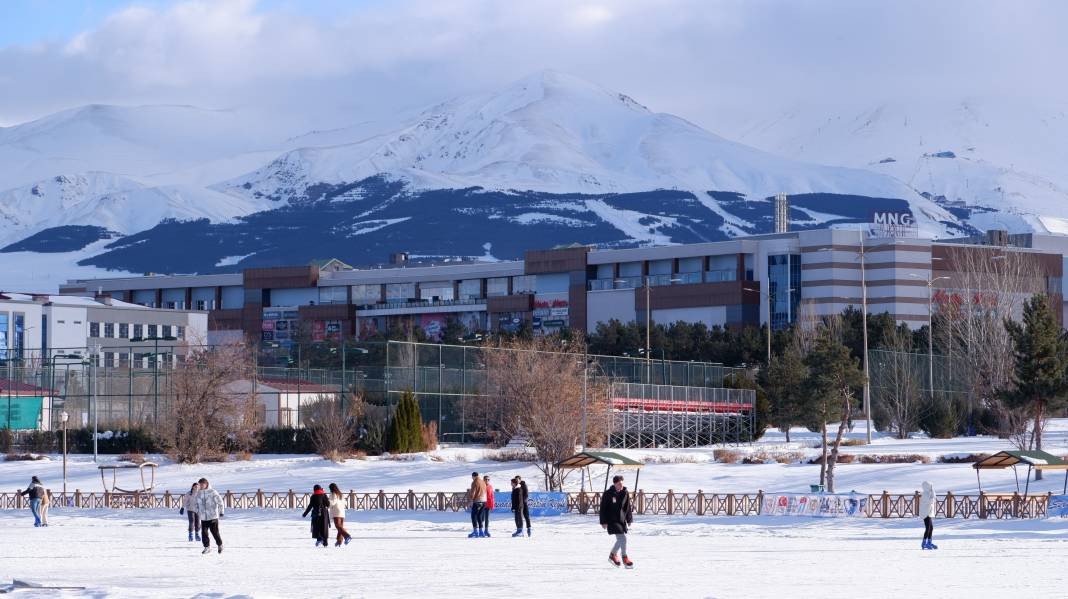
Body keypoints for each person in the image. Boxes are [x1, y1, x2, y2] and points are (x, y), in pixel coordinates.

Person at [599, 475, 634, 568]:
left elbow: (628, 507)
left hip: (621, 520)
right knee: (623, 538)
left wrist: (629, 519)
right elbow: (603, 508)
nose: (621, 485)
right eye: (619, 484)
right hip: (611, 520)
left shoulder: (625, 493)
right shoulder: (608, 493)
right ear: (614, 484)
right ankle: (624, 558)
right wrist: (603, 521)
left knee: (621, 539)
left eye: (622, 483)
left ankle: (613, 555)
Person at [194, 478, 224, 554]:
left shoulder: (213, 492)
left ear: (206, 484)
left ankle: (220, 545)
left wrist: (221, 511)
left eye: (202, 484)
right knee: (204, 533)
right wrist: (198, 512)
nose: (201, 486)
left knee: (215, 532)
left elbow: (220, 502)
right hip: (203, 517)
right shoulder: (198, 493)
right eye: (200, 484)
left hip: (213, 516)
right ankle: (207, 547)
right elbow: (195, 504)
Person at [328, 483, 351, 547]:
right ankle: (339, 541)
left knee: (338, 526)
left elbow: (332, 503)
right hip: (342, 511)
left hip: (336, 511)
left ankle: (347, 536)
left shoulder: (333, 494)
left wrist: (327, 503)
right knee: (340, 527)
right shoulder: (341, 494)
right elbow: (345, 503)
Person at [467, 471, 487, 538]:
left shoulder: (474, 482)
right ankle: (481, 531)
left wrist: (471, 501)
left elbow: (473, 492)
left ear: (473, 476)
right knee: (479, 516)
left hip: (477, 501)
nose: (472, 478)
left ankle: (475, 531)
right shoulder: (483, 482)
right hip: (484, 501)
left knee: (473, 516)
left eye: (472, 477)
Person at [920, 480, 937, 550]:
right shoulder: (925, 494)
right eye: (930, 486)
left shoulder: (928, 493)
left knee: (931, 528)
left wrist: (932, 491)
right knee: (928, 528)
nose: (931, 487)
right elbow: (930, 501)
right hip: (925, 513)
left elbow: (933, 499)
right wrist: (932, 494)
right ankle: (924, 543)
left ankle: (929, 542)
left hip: (928, 512)